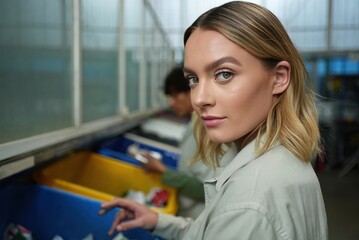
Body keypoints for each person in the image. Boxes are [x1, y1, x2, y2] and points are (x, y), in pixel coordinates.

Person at [99, 1, 328, 239]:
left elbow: (236, 220)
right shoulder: (286, 161)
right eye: (193, 79)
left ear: (279, 78)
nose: (199, 99)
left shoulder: (248, 206)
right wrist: (157, 220)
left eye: (224, 74)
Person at [141, 66, 218, 219]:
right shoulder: (195, 122)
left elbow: (206, 190)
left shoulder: (207, 131)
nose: (170, 103)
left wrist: (163, 171)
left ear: (194, 89)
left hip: (198, 217)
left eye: (176, 95)